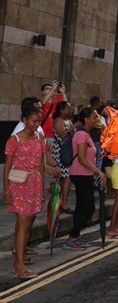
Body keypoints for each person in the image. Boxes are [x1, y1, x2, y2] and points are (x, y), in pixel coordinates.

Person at [4, 106, 61, 278]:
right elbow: (7, 168)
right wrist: (6, 191)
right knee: (23, 224)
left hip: (35, 184)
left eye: (38, 121)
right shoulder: (14, 140)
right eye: (34, 121)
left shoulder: (41, 139)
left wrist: (42, 188)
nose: (37, 124)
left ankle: (17, 263)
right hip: (19, 185)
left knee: (28, 224)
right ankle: (20, 266)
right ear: (25, 121)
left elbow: (42, 164)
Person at [66, 108, 108, 250]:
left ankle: (76, 236)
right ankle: (71, 237)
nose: (97, 120)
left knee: (84, 207)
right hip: (80, 174)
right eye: (94, 117)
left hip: (86, 174)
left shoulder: (87, 134)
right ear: (86, 119)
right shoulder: (81, 135)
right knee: (87, 207)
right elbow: (82, 159)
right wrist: (99, 172)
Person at [51, 101, 75, 213]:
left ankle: (64, 204)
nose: (70, 109)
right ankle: (56, 203)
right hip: (60, 152)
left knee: (67, 178)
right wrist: (73, 127)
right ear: (61, 110)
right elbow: (62, 135)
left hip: (68, 152)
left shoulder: (69, 121)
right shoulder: (58, 121)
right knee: (59, 177)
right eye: (68, 107)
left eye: (70, 107)